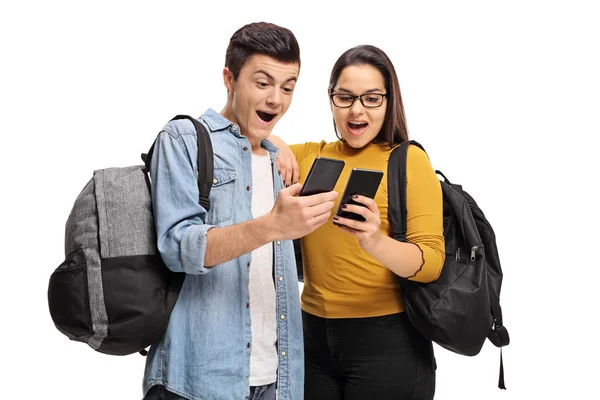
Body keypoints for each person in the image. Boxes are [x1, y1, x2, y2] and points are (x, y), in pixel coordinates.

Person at [142, 22, 338, 400]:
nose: (276, 100)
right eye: (262, 83)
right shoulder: (182, 139)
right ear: (229, 79)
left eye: (288, 87)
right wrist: (271, 226)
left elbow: (278, 268)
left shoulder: (282, 159)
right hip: (198, 379)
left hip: (278, 380)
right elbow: (179, 247)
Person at [270, 45, 445, 399]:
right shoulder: (310, 155)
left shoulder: (407, 160)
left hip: (387, 343)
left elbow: (430, 264)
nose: (356, 110)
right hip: (310, 338)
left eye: (371, 98)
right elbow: (254, 138)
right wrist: (277, 144)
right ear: (331, 98)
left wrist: (374, 241)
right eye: (345, 97)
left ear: (388, 101)